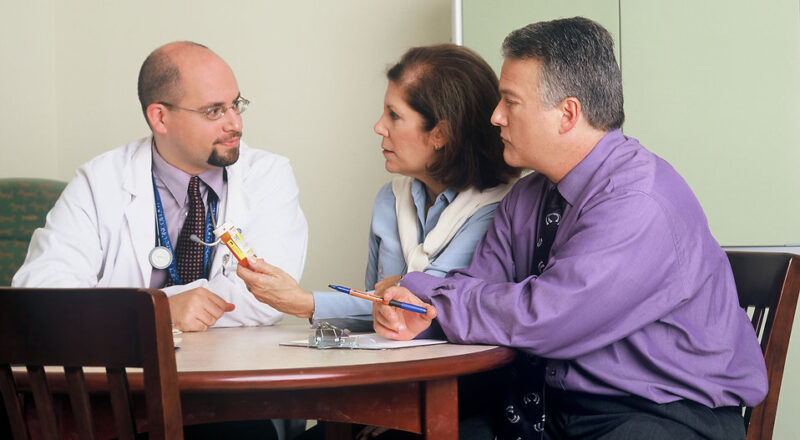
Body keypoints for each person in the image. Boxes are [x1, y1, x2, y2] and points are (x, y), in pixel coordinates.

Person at [374, 18, 767, 440]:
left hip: (659, 416)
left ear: (567, 114)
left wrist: (431, 294)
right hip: (545, 410)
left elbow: (545, 317)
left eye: (509, 101)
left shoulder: (639, 201)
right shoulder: (526, 198)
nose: (495, 117)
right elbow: (476, 291)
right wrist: (420, 315)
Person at [12, 41, 308, 333]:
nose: (235, 124)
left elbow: (268, 300)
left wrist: (136, 308)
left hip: (231, 365)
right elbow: (42, 295)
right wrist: (163, 311)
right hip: (126, 370)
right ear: (160, 118)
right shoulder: (100, 180)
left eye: (235, 105)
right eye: (214, 111)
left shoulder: (268, 175)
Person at [237, 44, 519, 333]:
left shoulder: (499, 208)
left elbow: (425, 307)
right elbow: (378, 308)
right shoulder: (391, 199)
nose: (379, 127)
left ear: (440, 134)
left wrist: (303, 302)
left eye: (394, 116)